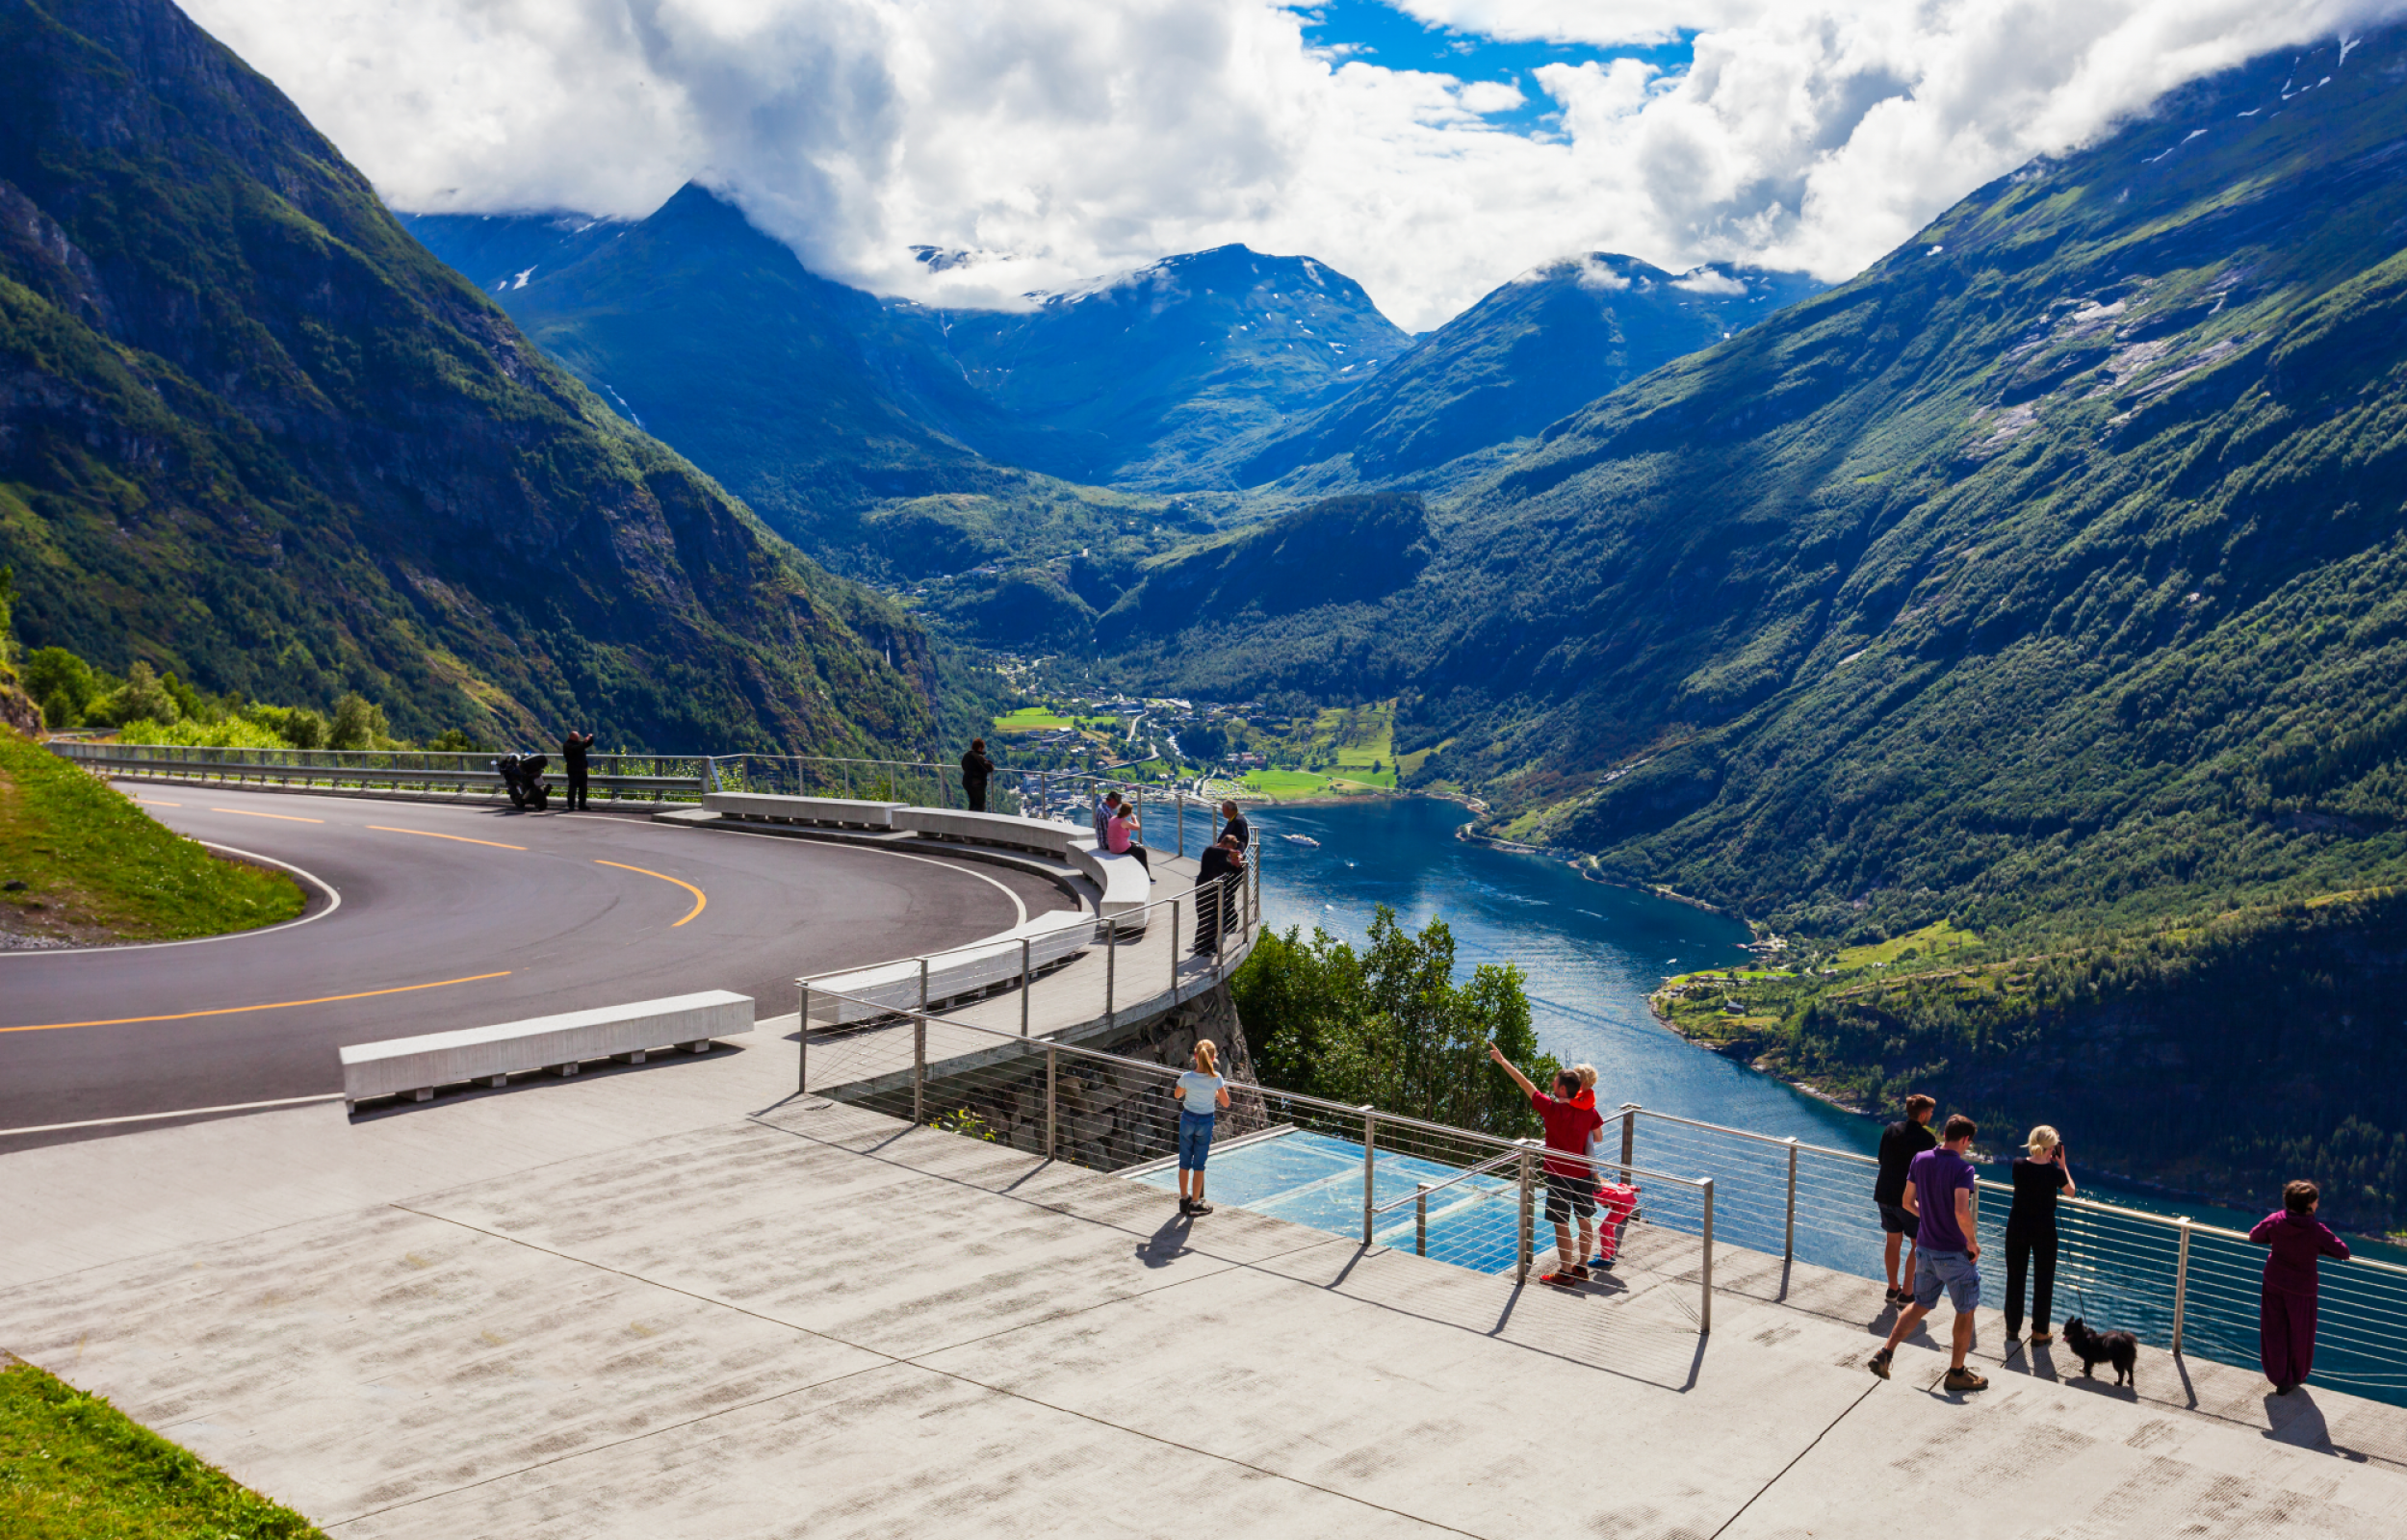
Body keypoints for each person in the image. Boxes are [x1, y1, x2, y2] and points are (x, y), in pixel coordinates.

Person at [1870, 1113, 1988, 1393]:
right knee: (1966, 1309)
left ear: (1944, 1134)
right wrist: (1972, 1242)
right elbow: (1961, 1211)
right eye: (1969, 1143)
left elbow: (1907, 1202)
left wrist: (1932, 1217)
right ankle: (1956, 1373)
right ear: (1965, 1139)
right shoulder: (1963, 1170)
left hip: (1924, 1248)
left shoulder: (1921, 1159)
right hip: (1953, 1253)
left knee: (1920, 1303)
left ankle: (1884, 1353)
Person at [1487, 1044, 1602, 1285]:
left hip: (1559, 1175)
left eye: (1554, 1081)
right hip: (1583, 1173)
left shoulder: (1549, 1109)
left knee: (1561, 1223)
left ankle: (1565, 1272)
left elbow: (1524, 1083)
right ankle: (1581, 1267)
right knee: (1584, 1221)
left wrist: (1502, 1060)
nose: (1551, 1084)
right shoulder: (1589, 1112)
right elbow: (1598, 1136)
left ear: (1562, 1089)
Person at [2250, 1179, 2351, 1394]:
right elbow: (2343, 1251)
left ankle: (2279, 1377)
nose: (2317, 1205)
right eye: (2315, 1202)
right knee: (2300, 1335)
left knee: (2274, 1331)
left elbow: (2255, 1235)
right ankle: (2295, 1376)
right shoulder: (2315, 1230)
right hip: (2301, 1290)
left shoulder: (2276, 1221)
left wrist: (2277, 1241)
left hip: (2274, 1283)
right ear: (2307, 1205)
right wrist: (2315, 1249)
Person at [2004, 1125, 2075, 1344]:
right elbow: (2071, 1191)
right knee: (2043, 1281)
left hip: (2017, 1226)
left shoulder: (2018, 1165)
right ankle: (2040, 1331)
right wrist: (2063, 1166)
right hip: (2044, 1230)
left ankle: (2012, 1330)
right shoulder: (2055, 1173)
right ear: (2052, 1148)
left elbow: (2030, 1175)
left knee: (2015, 1279)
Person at [1875, 1094, 1939, 1307]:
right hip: (1910, 1200)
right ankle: (1907, 1293)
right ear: (1922, 1114)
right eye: (1930, 1112)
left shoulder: (1891, 1129)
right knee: (1917, 1244)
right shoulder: (1927, 1140)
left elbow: (1881, 1159)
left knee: (1893, 1241)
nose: (1931, 1115)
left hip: (1885, 1194)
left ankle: (1893, 1289)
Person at [1173, 1040, 1230, 1217]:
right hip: (1205, 1122)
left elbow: (1177, 1095)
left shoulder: (1186, 1077)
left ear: (1195, 1056)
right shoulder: (1216, 1078)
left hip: (1188, 1119)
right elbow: (1226, 1103)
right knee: (1199, 1164)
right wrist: (1212, 1092)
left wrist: (1189, 1090)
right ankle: (1195, 1204)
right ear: (1213, 1058)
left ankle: (1184, 1199)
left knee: (1184, 1161)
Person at [1191, 834, 1243, 955]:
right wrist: (1230, 851)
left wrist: (1237, 865)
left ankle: (1210, 943)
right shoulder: (1211, 851)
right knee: (1205, 917)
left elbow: (1235, 872)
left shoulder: (1226, 857)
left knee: (1216, 917)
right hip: (1205, 886)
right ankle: (1200, 946)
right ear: (1223, 844)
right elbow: (1211, 850)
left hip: (1218, 889)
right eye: (1228, 848)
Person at [1105, 801, 1152, 875]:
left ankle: (1138, 872)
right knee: (1142, 851)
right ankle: (1147, 875)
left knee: (1135, 846)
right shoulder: (1123, 822)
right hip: (1120, 848)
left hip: (1112, 847)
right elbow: (1137, 827)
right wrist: (1134, 819)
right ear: (1128, 813)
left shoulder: (1112, 819)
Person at [560, 729, 594, 810]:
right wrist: (585, 741)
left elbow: (587, 744)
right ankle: (571, 805)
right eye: (577, 737)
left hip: (582, 769)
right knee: (572, 788)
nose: (578, 738)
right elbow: (577, 748)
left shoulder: (578, 743)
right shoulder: (567, 745)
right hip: (573, 770)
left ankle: (582, 805)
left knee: (583, 788)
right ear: (572, 737)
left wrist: (590, 738)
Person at [960, 738, 996, 812]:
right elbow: (990, 768)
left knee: (972, 803)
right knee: (980, 805)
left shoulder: (966, 755)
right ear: (980, 748)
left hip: (967, 783)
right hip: (977, 785)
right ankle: (976, 822)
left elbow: (963, 766)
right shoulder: (979, 757)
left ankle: (970, 821)